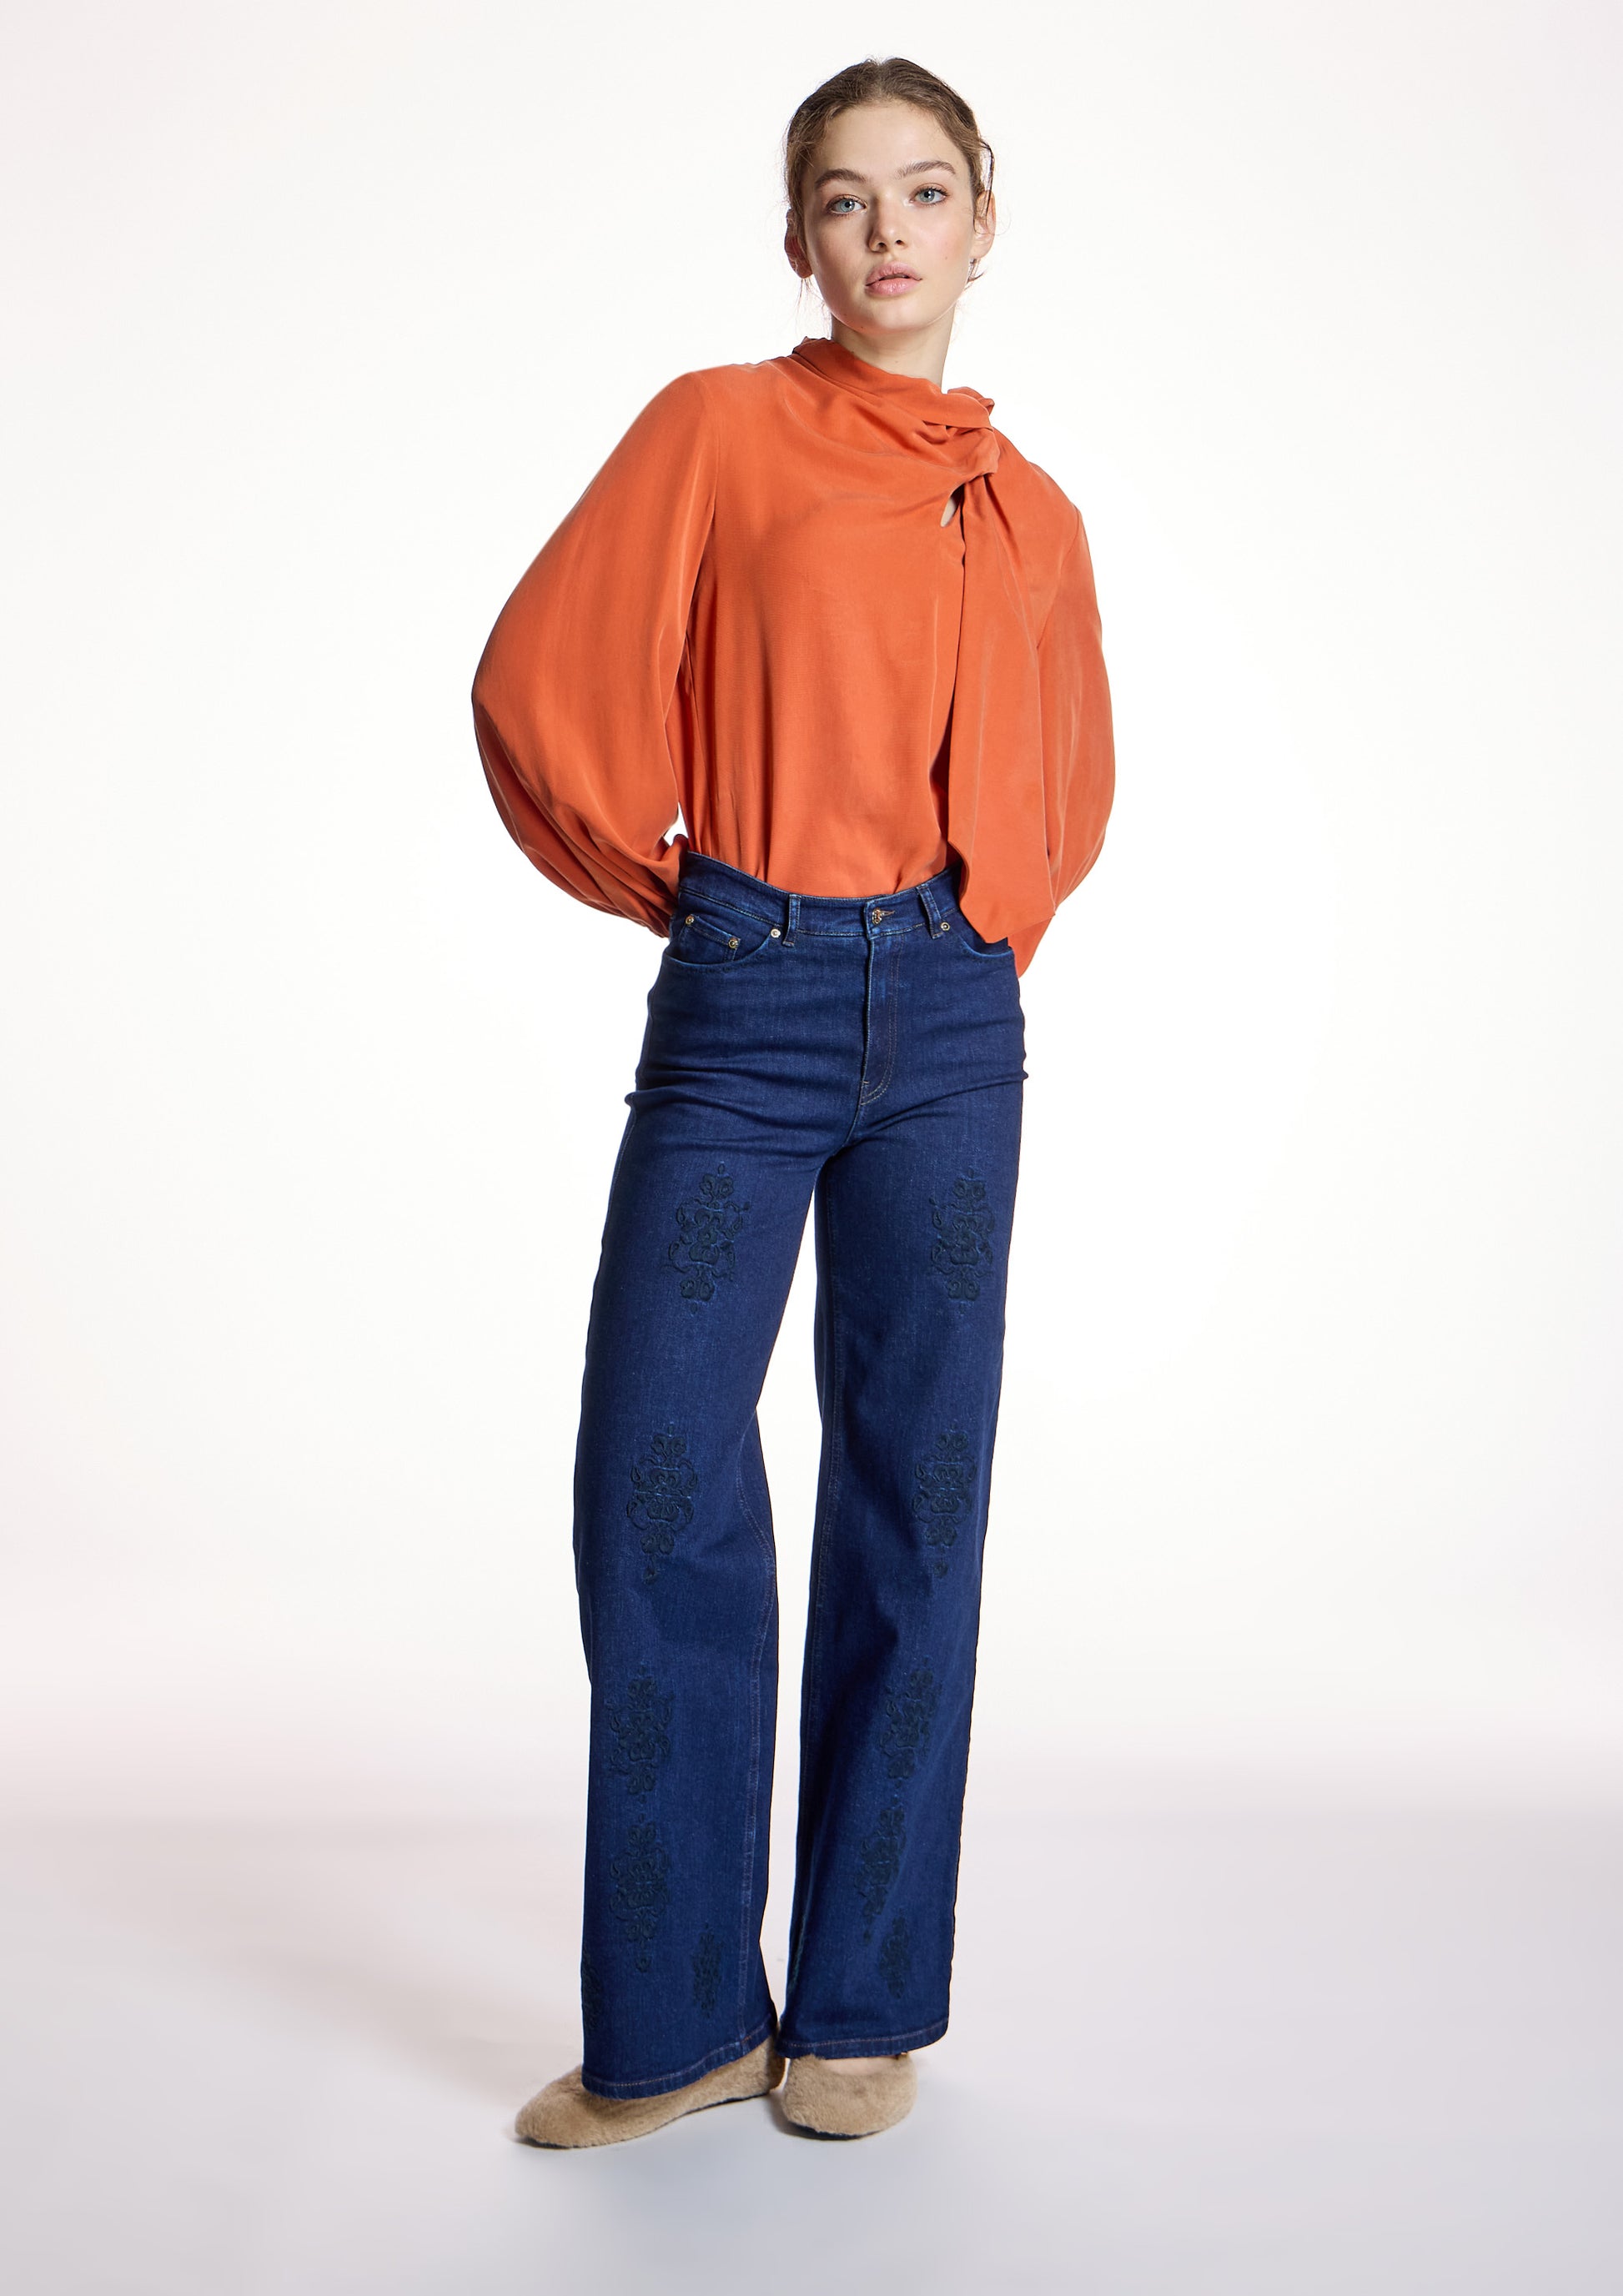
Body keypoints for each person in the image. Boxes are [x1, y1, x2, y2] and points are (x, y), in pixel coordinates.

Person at [470, 56, 1113, 2145]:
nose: (887, 232)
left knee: (917, 1494)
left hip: (951, 1021)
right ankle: (675, 2025)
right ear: (796, 237)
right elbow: (537, 677)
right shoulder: (718, 429)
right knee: (656, 1469)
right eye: (846, 198)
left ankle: (859, 2006)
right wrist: (682, 891)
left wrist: (979, 928)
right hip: (742, 998)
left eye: (925, 193)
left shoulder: (1028, 511)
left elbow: (1071, 777)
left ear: (983, 222)